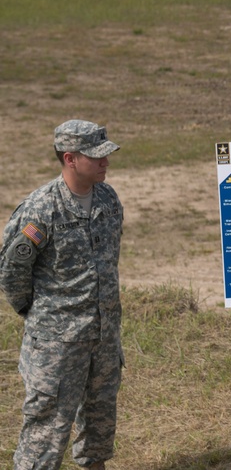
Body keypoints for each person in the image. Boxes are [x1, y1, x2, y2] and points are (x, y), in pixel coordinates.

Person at [0, 120, 125, 470]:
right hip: (57, 343)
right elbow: (12, 271)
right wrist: (37, 313)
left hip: (102, 335)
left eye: (107, 155)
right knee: (46, 428)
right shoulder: (41, 209)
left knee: (100, 418)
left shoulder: (108, 199)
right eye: (96, 156)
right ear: (70, 159)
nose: (106, 162)